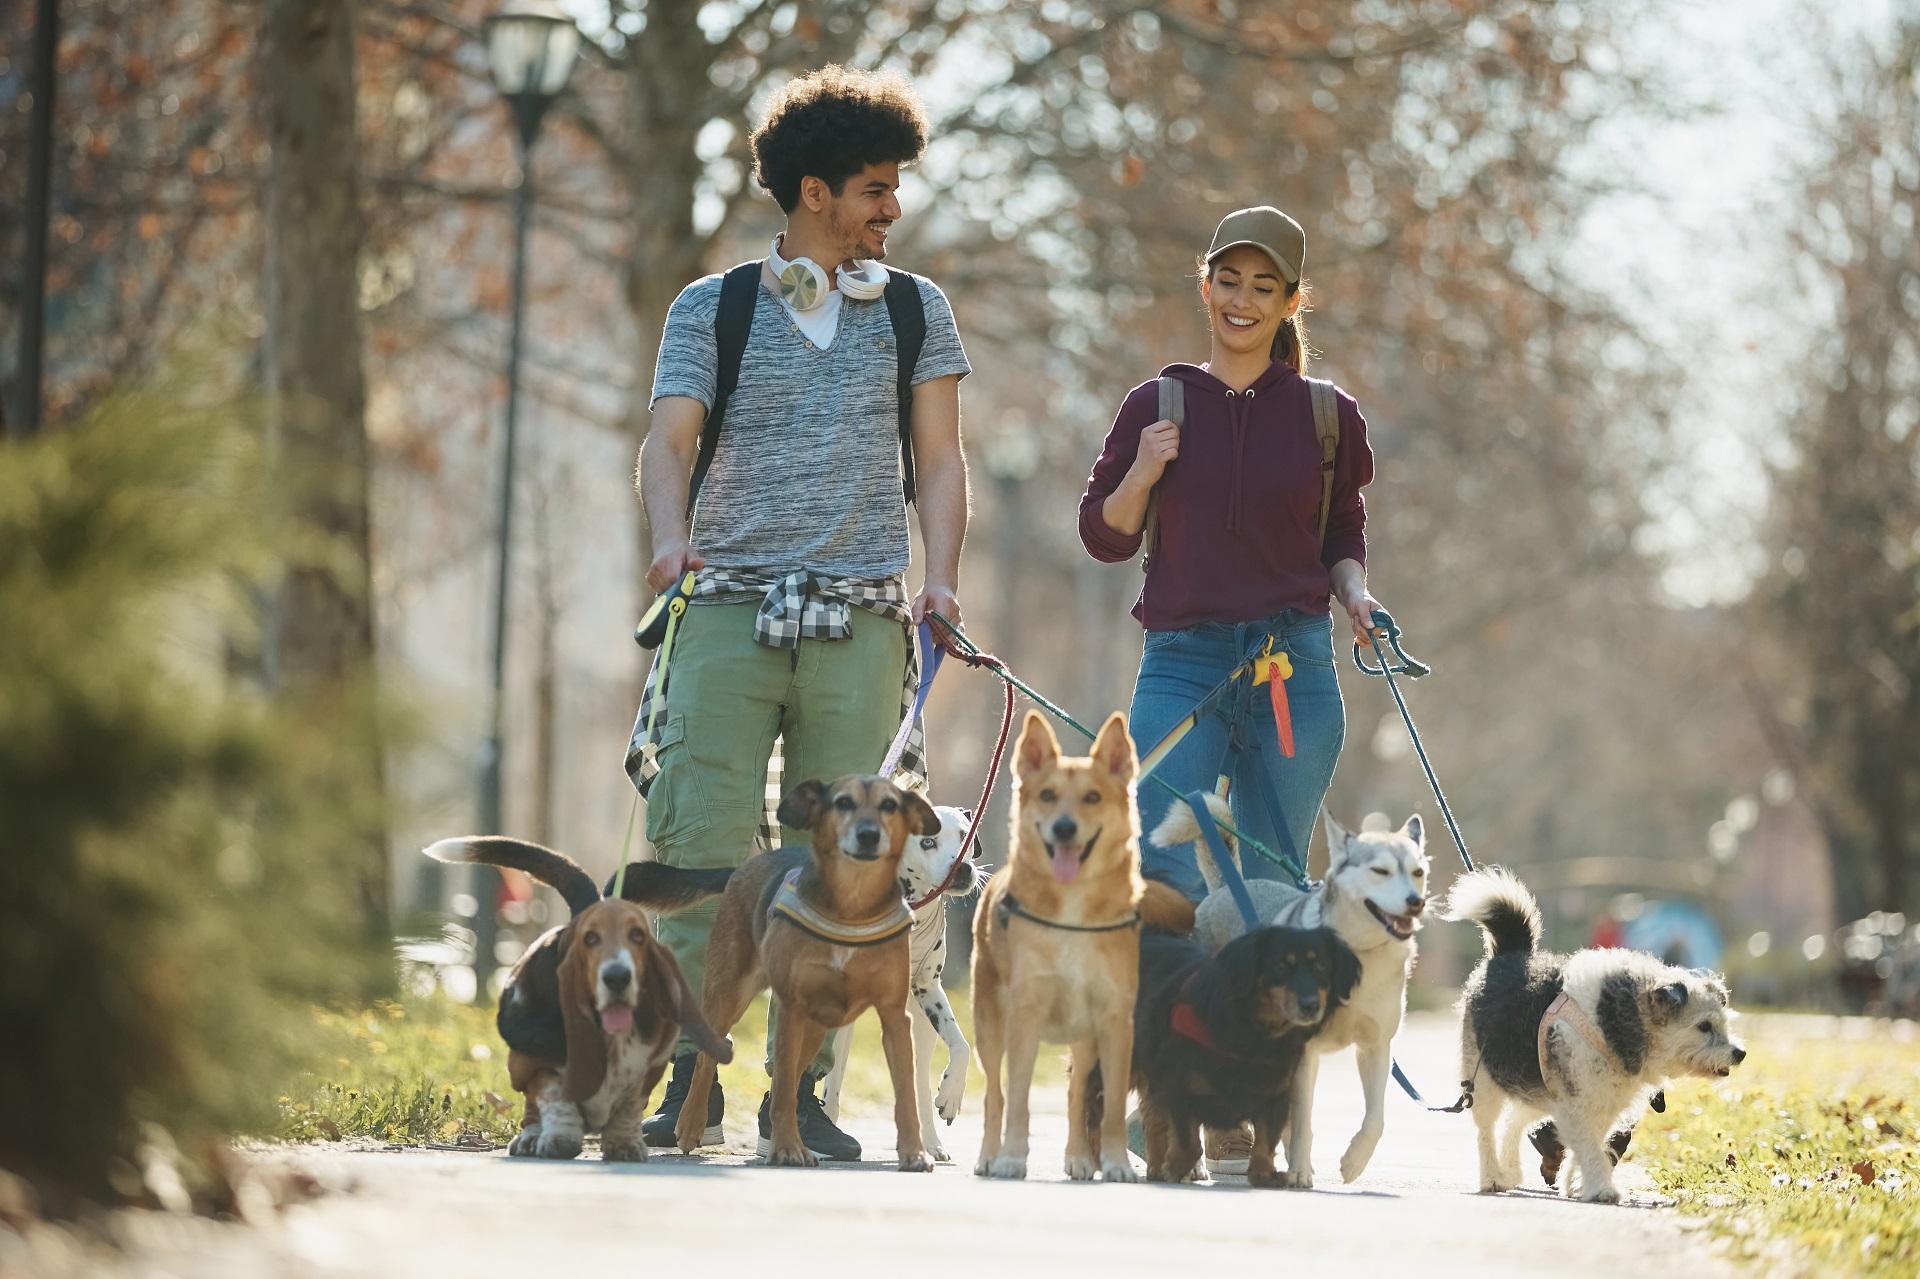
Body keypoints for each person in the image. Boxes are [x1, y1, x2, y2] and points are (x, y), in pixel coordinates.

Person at [627, 66, 971, 1160]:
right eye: (876, 187)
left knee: (840, 869)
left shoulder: (915, 311)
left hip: (861, 620)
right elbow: (667, 441)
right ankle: (688, 1079)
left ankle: (801, 1093)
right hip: (726, 611)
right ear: (814, 191)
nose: (893, 207)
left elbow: (941, 459)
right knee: (700, 850)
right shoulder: (712, 307)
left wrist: (942, 575)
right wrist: (668, 538)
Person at [1077, 206, 1384, 1171]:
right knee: (1164, 883)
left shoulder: (1326, 415)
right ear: (1205, 284)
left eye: (1264, 286)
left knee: (1270, 889)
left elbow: (1341, 532)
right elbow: (1104, 533)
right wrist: (1143, 471)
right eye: (1228, 280)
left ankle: (1247, 1105)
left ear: (1292, 300)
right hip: (1185, 659)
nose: (1242, 301)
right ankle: (1155, 1090)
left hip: (1296, 664)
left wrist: (1357, 595)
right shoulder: (1159, 401)